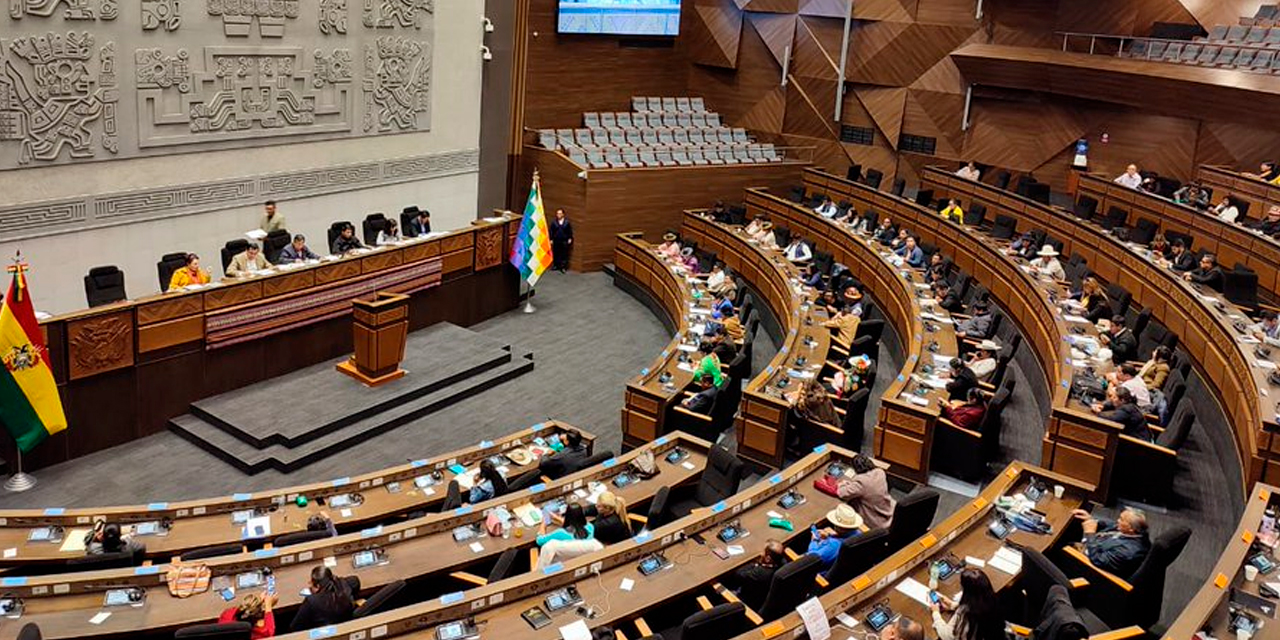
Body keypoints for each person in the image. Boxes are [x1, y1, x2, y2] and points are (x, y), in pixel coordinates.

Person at [1071, 507, 1151, 579]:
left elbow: (1097, 560)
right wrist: (1090, 519)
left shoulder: (1126, 552)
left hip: (1092, 567)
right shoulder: (1131, 531)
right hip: (1097, 545)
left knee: (1060, 545)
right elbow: (1111, 525)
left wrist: (1090, 534)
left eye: (1121, 519)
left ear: (1131, 529)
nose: (1117, 521)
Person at [930, 569, 1003, 640]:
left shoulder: (966, 616)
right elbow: (976, 606)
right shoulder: (992, 600)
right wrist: (953, 605)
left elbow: (946, 636)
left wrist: (935, 613)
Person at [836, 453, 895, 529]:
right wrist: (852, 484)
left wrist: (842, 484)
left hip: (875, 521)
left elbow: (841, 493)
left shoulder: (861, 481)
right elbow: (868, 486)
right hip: (888, 511)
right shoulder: (880, 472)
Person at [289, 566, 356, 631]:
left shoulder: (312, 601)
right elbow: (355, 580)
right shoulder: (344, 589)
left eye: (311, 583)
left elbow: (295, 627)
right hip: (342, 629)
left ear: (317, 586)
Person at [732, 540, 787, 610]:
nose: (761, 554)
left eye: (763, 552)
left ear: (768, 559)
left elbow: (738, 574)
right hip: (764, 596)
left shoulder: (759, 573)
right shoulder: (782, 564)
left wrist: (756, 563)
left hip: (750, 602)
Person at [807, 504, 862, 571]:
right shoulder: (860, 535)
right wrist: (829, 537)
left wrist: (814, 540)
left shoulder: (833, 546)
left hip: (819, 573)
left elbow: (811, 559)